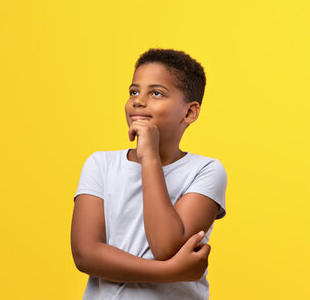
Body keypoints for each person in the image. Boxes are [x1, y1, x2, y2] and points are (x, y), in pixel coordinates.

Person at [70, 48, 228, 299]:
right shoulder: (100, 164)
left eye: (156, 93)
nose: (138, 100)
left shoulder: (206, 170)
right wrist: (170, 272)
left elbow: (165, 247)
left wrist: (150, 158)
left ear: (189, 112)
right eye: (134, 91)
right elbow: (85, 254)